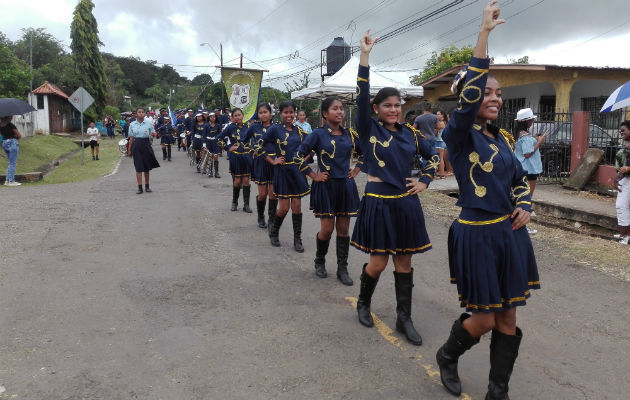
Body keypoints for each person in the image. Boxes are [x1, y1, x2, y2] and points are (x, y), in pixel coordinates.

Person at [435, 3, 540, 399]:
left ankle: (499, 391)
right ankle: (448, 354)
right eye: (487, 92)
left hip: (509, 234)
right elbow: (470, 92)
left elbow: (516, 180)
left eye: (499, 93)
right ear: (468, 97)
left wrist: (525, 205)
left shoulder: (501, 139)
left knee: (508, 315)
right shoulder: (459, 136)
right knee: (482, 319)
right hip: (476, 233)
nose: (495, 99)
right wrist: (484, 34)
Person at [352, 30, 439, 347]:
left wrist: (425, 180)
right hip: (378, 201)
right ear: (376, 109)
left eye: (397, 105)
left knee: (405, 262)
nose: (393, 109)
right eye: (387, 105)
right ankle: (363, 303)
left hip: (405, 203)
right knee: (378, 262)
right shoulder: (367, 127)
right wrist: (365, 58)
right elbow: (361, 96)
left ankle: (404, 318)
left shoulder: (411, 134)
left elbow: (433, 156)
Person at [296, 96, 362, 285]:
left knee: (343, 229)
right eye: (335, 109)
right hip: (325, 186)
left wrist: (356, 170)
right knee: (327, 230)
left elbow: (366, 153)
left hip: (345, 186)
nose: (340, 112)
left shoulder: (350, 134)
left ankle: (343, 268)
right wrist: (313, 175)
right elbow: (298, 155)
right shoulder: (317, 134)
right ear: (325, 114)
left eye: (341, 108)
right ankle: (320, 260)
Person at [262, 101, 311, 252]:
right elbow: (259, 145)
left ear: (295, 113)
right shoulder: (275, 129)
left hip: (296, 172)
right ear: (281, 114)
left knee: (296, 206)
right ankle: (274, 232)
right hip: (282, 171)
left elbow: (311, 149)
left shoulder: (300, 131)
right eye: (286, 112)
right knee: (283, 208)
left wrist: (303, 161)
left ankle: (298, 239)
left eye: (291, 112)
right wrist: (272, 160)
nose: (289, 115)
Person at [514, 107, 547, 235]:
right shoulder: (525, 136)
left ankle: (519, 222)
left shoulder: (519, 134)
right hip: (529, 170)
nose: (532, 122)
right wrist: (539, 141)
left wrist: (534, 139)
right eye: (531, 120)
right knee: (526, 198)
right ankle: (522, 225)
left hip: (522, 169)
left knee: (520, 196)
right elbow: (528, 153)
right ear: (527, 121)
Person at [220, 108, 254, 212]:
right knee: (237, 181)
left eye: (240, 115)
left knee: (246, 181)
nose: (238, 117)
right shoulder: (230, 128)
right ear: (232, 117)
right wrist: (228, 147)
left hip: (247, 157)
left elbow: (256, 139)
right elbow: (219, 138)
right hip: (236, 157)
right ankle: (234, 202)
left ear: (243, 116)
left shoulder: (249, 127)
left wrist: (253, 150)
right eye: (236, 115)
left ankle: (246, 205)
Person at [250, 103, 278, 229]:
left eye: (265, 112)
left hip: (275, 162)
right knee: (262, 194)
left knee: (273, 193)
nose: (263, 114)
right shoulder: (254, 127)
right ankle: (261, 216)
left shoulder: (277, 127)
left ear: (270, 113)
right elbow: (244, 140)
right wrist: (251, 150)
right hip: (261, 162)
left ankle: (271, 220)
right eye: (260, 113)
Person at [127, 107, 160, 194]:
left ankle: (147, 186)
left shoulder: (149, 123)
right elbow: (131, 138)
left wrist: (154, 134)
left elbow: (153, 134)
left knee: (146, 167)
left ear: (144, 114)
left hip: (146, 145)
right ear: (136, 114)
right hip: (136, 145)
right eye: (139, 112)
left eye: (142, 112)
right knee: (138, 168)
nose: (141, 113)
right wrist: (129, 150)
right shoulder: (132, 124)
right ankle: (140, 188)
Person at [614, 120, 630, 244]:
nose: (621, 133)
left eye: (623, 131)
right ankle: (624, 234)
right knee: (622, 206)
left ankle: (625, 236)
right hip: (625, 180)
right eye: (620, 131)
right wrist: (616, 178)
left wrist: (628, 168)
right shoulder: (626, 146)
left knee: (622, 206)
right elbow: (620, 166)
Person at [0, 115, 22, 186]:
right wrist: (15, 136)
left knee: (10, 163)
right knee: (12, 163)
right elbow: (19, 135)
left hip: (4, 143)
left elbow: (3, 135)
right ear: (8, 117)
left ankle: (7, 181)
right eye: (11, 116)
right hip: (12, 143)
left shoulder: (1, 125)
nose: (12, 118)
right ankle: (11, 181)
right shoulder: (11, 125)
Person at [203, 112, 222, 178]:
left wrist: (220, 141)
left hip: (215, 142)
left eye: (214, 116)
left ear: (216, 117)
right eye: (211, 116)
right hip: (208, 142)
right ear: (209, 118)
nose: (212, 118)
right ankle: (210, 171)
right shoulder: (206, 125)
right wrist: (204, 144)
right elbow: (204, 135)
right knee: (210, 156)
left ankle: (216, 172)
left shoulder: (218, 125)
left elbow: (220, 134)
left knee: (216, 157)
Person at [434, 109, 450, 178]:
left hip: (439, 141)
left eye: (438, 114)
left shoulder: (441, 123)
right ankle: (441, 172)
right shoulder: (445, 122)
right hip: (443, 141)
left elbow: (436, 133)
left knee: (440, 158)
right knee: (442, 158)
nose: (436, 115)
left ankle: (442, 174)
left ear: (442, 115)